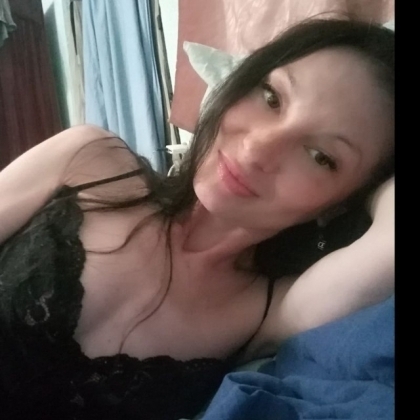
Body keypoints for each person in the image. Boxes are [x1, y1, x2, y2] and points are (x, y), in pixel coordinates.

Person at [0, 17, 394, 420]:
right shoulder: (86, 160)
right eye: (271, 97)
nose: (257, 149)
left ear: (341, 205)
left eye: (320, 157)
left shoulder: (271, 312)